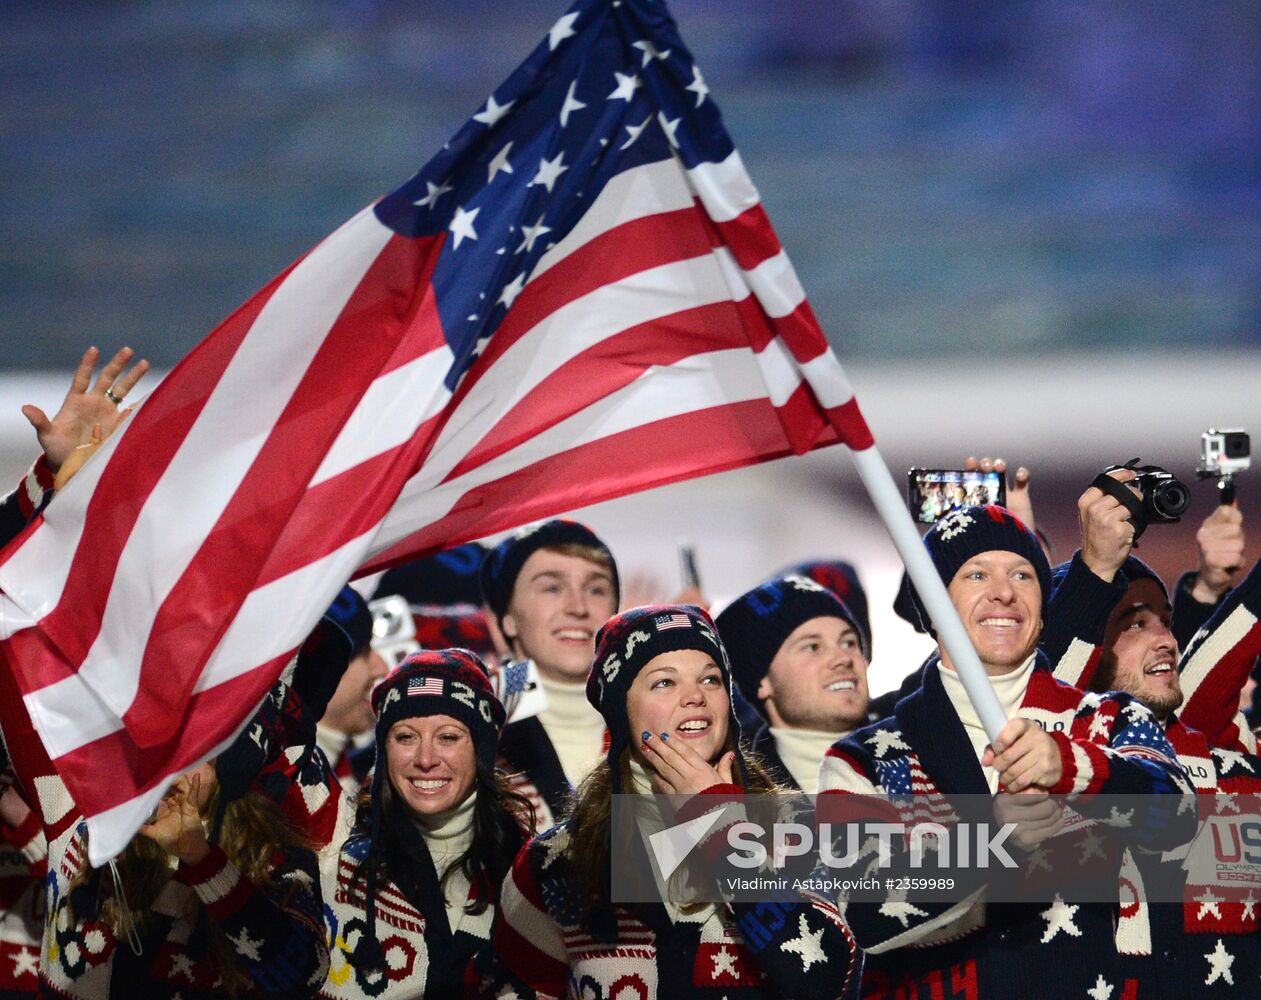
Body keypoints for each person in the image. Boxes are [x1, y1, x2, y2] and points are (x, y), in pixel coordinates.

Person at [818, 504, 1194, 998]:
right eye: (976, 574)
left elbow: (1179, 812)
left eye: (1023, 574)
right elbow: (865, 913)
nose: (1004, 592)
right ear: (933, 607)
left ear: (1043, 607)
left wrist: (1071, 766)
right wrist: (994, 838)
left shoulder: (1108, 719)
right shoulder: (862, 759)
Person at [488, 604, 860, 998]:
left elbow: (827, 981)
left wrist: (720, 824)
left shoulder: (804, 826)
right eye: (665, 682)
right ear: (621, 710)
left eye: (711, 680)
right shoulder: (556, 861)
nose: (695, 696)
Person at [316, 648, 533, 998]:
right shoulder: (335, 856)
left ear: (481, 749)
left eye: (448, 737)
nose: (426, 759)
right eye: (406, 737)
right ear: (383, 749)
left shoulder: (529, 868)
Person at [479, 520, 620, 827]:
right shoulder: (471, 726)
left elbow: (723, 873)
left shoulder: (662, 719)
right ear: (507, 619)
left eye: (596, 588)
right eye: (552, 587)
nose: (578, 607)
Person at [717, 574, 871, 792]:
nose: (843, 658)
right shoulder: (746, 796)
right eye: (812, 647)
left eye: (848, 642)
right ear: (762, 682)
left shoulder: (913, 745)